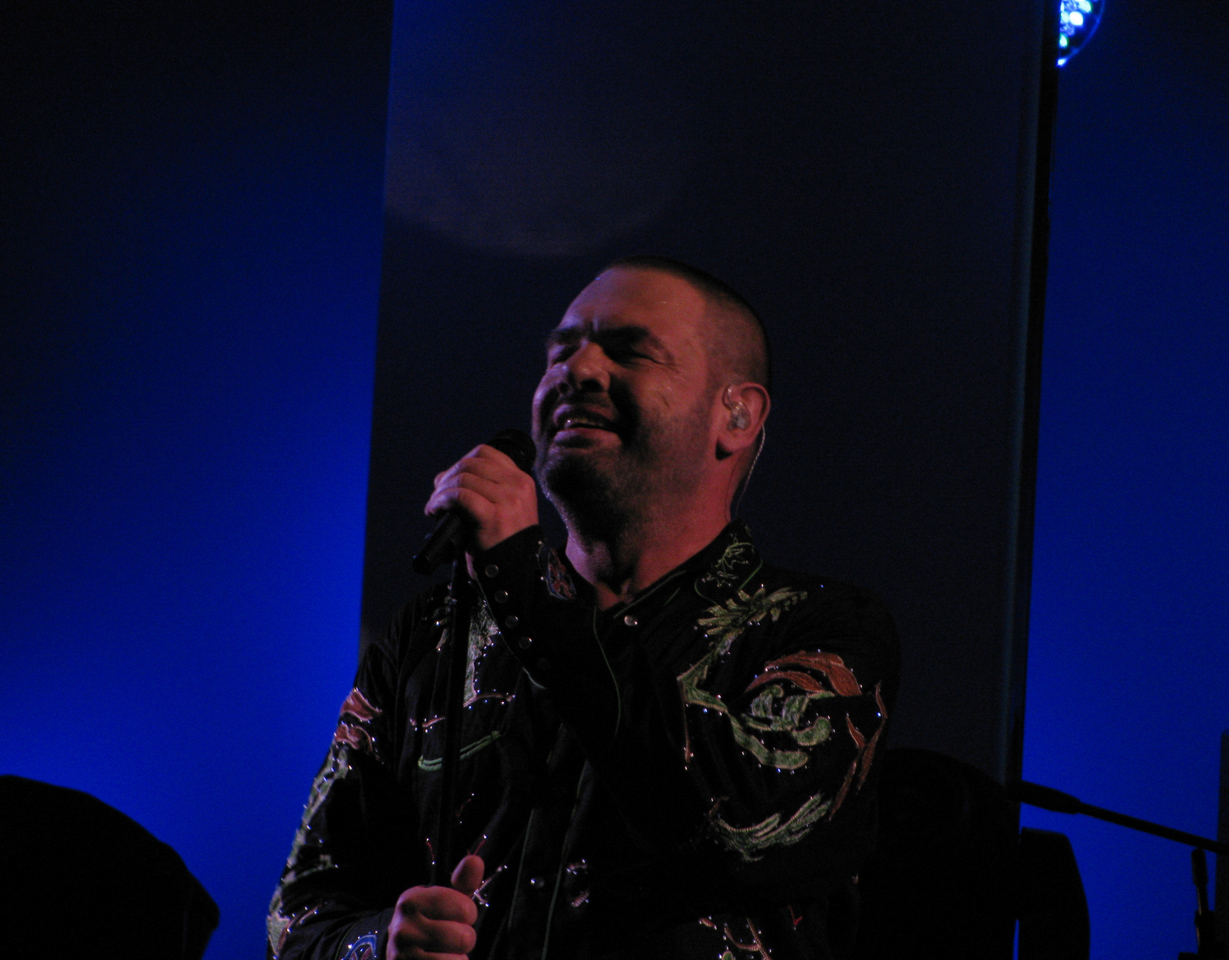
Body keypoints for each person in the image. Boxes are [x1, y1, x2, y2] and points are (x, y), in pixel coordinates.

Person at [267, 256, 899, 960]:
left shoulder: (823, 629)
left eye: (630, 351)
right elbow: (299, 916)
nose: (579, 370)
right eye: (560, 352)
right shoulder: (433, 636)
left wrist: (527, 588)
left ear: (738, 414)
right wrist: (381, 942)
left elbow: (740, 826)